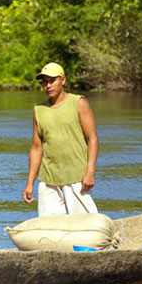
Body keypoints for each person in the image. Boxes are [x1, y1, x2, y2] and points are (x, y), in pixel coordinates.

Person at [22, 62, 99, 216]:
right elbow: (36, 148)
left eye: (52, 81)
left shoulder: (79, 103)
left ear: (63, 80)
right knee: (50, 229)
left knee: (86, 224)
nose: (47, 85)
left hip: (76, 177)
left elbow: (92, 139)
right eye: (44, 82)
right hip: (48, 180)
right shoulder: (39, 110)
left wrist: (90, 171)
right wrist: (30, 183)